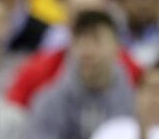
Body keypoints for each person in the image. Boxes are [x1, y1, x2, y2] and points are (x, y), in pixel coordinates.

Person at [24, 11, 136, 139]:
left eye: (96, 41)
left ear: (116, 47)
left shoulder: (135, 102)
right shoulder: (48, 102)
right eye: (80, 41)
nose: (87, 52)